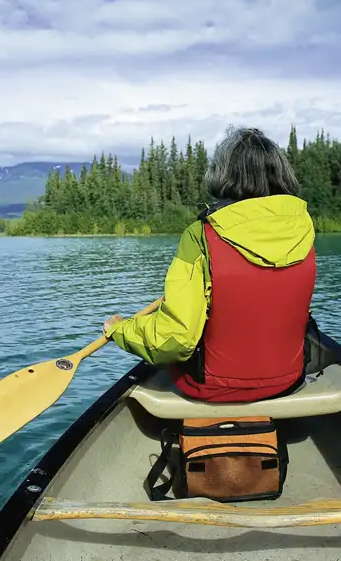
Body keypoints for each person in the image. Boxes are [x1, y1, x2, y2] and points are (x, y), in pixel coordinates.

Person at [103, 126, 316, 403]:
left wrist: (121, 329)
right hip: (290, 380)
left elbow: (176, 339)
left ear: (223, 174)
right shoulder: (303, 229)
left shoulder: (200, 235)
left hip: (212, 387)